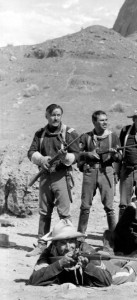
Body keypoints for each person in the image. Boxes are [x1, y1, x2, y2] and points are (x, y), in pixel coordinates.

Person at [27, 219, 137, 287]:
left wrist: (87, 266)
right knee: (115, 258)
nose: (68, 247)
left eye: (71, 241)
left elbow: (106, 280)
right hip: (101, 261)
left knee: (126, 273)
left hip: (104, 268)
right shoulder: (48, 254)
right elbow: (34, 279)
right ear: (54, 244)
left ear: (76, 241)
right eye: (62, 242)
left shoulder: (84, 249)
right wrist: (59, 264)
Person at [27, 104, 80, 257]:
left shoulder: (69, 133)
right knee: (44, 212)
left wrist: (65, 157)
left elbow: (77, 155)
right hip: (44, 176)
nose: (56, 118)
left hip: (61, 176)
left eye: (58, 115)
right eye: (53, 115)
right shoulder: (40, 134)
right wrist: (41, 158)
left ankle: (69, 246)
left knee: (64, 213)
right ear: (47, 116)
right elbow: (31, 152)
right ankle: (42, 245)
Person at [77, 110, 121, 235]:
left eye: (106, 120)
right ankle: (80, 238)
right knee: (85, 207)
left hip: (107, 171)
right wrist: (88, 155)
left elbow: (120, 158)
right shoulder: (85, 137)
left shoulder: (113, 137)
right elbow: (77, 155)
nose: (105, 122)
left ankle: (114, 239)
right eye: (101, 120)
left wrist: (115, 155)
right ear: (94, 122)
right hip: (90, 171)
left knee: (109, 208)